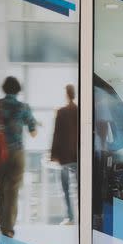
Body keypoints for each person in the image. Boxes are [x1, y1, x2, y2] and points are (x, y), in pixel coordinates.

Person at [0, 76, 37, 238]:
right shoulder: (23, 107)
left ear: (4, 88)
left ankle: (2, 226)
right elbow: (33, 132)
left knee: (2, 189)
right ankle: (9, 228)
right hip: (16, 154)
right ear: (18, 90)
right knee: (13, 191)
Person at [51, 84, 78, 225]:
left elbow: (56, 134)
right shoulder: (80, 111)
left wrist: (53, 155)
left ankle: (70, 217)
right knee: (80, 188)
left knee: (65, 188)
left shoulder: (61, 112)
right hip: (78, 157)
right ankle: (82, 215)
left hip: (65, 158)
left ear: (66, 94)